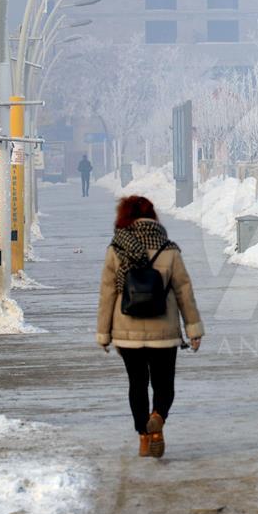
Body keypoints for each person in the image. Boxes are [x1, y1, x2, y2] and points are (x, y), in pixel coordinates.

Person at [97, 196, 204, 458]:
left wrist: (103, 333)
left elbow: (107, 293)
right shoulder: (168, 249)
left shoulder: (117, 248)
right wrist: (193, 329)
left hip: (127, 331)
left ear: (125, 217)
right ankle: (158, 418)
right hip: (164, 332)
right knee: (163, 383)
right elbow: (184, 291)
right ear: (153, 217)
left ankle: (144, 438)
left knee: (137, 384)